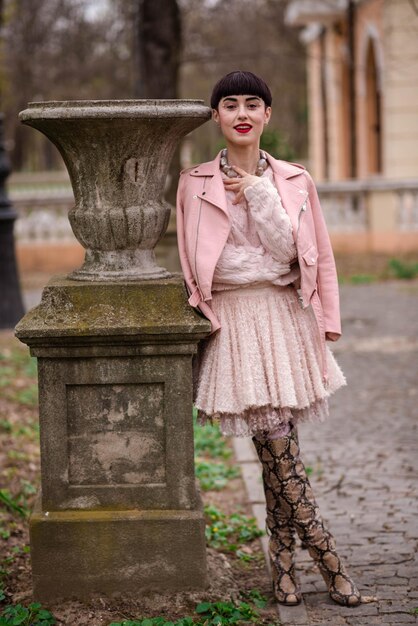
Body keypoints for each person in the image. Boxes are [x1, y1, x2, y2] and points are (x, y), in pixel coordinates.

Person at [176, 70, 362, 607]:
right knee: (277, 448)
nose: (241, 113)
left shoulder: (294, 180)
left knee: (276, 449)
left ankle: (286, 571)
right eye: (229, 104)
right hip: (234, 325)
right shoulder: (194, 184)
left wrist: (257, 192)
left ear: (266, 115)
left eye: (251, 104)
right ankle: (326, 557)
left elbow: (300, 252)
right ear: (216, 116)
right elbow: (203, 264)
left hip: (284, 319)